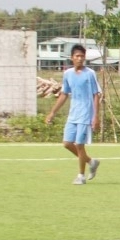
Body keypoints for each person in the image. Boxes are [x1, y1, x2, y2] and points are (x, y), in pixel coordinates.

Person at [44, 44, 102, 185]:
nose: (80, 58)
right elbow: (64, 94)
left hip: (85, 114)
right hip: (73, 114)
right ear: (72, 58)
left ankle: (81, 176)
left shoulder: (90, 74)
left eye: (82, 56)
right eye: (77, 56)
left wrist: (96, 116)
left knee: (80, 145)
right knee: (67, 143)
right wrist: (52, 112)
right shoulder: (68, 74)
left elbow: (96, 95)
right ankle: (91, 162)